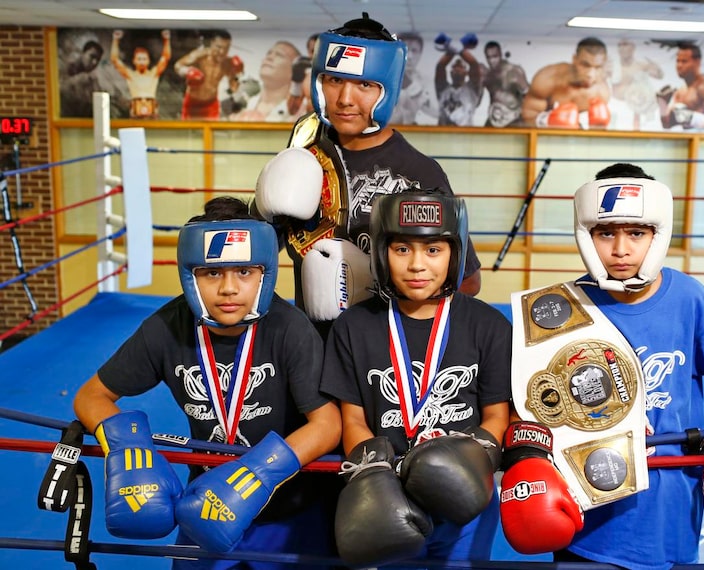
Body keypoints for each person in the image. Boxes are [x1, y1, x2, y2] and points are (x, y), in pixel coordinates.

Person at [72, 196, 342, 569]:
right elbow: (92, 396)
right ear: (190, 274)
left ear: (265, 273)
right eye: (212, 273)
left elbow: (327, 424)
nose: (229, 288)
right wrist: (130, 448)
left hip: (289, 510)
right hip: (206, 507)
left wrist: (255, 473)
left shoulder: (289, 328)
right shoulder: (168, 327)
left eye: (245, 272)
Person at [540, 163, 704, 569]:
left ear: (658, 232)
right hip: (593, 501)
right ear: (587, 234)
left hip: (668, 495)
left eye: (636, 233)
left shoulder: (689, 297)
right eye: (606, 233)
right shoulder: (562, 309)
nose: (620, 249)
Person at [253, 13, 482, 339]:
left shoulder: (418, 174)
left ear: (387, 90)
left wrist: (378, 285)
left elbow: (468, 283)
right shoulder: (303, 145)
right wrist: (263, 210)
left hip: (385, 354)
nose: (346, 99)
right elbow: (257, 252)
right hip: (311, 350)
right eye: (334, 81)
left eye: (364, 85)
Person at [320, 189, 511, 567]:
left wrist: (475, 461)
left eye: (433, 250)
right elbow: (353, 419)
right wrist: (374, 475)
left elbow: (497, 415)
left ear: (454, 253)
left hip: (464, 498)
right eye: (402, 249)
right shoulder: (354, 326)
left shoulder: (486, 324)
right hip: (387, 498)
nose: (417, 265)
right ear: (381, 252)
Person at [521, 37, 611, 130]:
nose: (590, 74)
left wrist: (597, 126)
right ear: (574, 59)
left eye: (598, 67)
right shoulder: (548, 78)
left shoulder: (601, 93)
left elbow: (596, 136)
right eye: (585, 65)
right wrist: (547, 121)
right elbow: (528, 116)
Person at [174, 30, 244, 120]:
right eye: (219, 47)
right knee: (187, 132)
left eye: (226, 48)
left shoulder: (227, 63)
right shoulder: (200, 55)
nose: (222, 52)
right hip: (193, 103)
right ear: (212, 43)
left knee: (211, 132)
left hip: (211, 104)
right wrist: (187, 71)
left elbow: (233, 87)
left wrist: (237, 74)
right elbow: (178, 66)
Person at [657, 42, 704, 131]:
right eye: (678, 61)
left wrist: (693, 118)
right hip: (685, 142)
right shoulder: (680, 91)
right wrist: (663, 104)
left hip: (701, 143)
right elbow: (666, 125)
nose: (679, 66)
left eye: (684, 61)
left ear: (697, 62)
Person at [231, 40, 303, 122]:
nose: (269, 57)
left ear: (294, 70)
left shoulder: (300, 112)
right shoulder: (244, 104)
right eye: (269, 53)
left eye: (279, 55)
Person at [110, 29, 172, 119]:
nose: (142, 62)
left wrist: (166, 40)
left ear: (148, 61)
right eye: (139, 59)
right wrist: (115, 40)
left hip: (151, 107)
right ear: (134, 61)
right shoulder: (130, 75)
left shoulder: (153, 73)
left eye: (144, 59)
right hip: (136, 108)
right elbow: (114, 59)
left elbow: (165, 57)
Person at [610, 38, 663, 130]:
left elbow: (659, 75)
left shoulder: (641, 66)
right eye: (619, 45)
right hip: (616, 109)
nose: (622, 48)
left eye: (625, 44)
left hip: (637, 111)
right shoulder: (612, 67)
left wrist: (657, 68)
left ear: (633, 47)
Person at [389, 31, 439, 125]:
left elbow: (436, 112)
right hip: (387, 132)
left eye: (414, 51)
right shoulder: (383, 79)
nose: (410, 56)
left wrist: (410, 85)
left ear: (420, 54)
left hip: (416, 133)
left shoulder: (426, 82)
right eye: (405, 50)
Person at [434, 33, 483, 126]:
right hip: (442, 136)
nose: (457, 69)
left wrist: (456, 48)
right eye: (454, 67)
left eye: (461, 67)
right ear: (450, 72)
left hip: (466, 135)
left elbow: (474, 64)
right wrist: (453, 48)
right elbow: (440, 66)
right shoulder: (442, 89)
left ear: (466, 72)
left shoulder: (472, 90)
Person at [481, 40, 529, 128]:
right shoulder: (488, 75)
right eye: (489, 57)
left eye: (494, 56)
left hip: (514, 119)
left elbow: (529, 97)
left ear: (500, 54)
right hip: (495, 119)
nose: (492, 61)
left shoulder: (514, 71)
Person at [59, 39, 104, 117]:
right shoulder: (67, 67)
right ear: (83, 53)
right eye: (92, 56)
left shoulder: (91, 77)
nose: (94, 62)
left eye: (98, 60)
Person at [286, 33, 319, 117]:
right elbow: (292, 110)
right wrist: (296, 81)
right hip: (313, 124)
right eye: (313, 51)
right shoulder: (307, 77)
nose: (317, 54)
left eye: (320, 50)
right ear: (308, 53)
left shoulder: (338, 74)